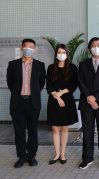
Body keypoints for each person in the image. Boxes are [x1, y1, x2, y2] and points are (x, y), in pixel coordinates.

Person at [6, 38, 46, 168]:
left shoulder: (40, 65)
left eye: (31, 47)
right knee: (19, 131)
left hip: (33, 103)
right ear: (21, 47)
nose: (28, 48)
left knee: (33, 131)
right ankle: (21, 157)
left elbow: (40, 84)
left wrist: (31, 94)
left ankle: (32, 156)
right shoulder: (13, 64)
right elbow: (10, 84)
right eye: (26, 46)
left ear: (34, 49)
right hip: (17, 103)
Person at [78, 37, 99, 169]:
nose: (96, 47)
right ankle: (87, 158)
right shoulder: (83, 64)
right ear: (89, 48)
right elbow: (80, 82)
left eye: (98, 45)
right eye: (93, 45)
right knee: (87, 130)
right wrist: (89, 97)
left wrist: (95, 98)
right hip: (86, 102)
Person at [46, 44, 78, 165]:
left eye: (63, 52)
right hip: (54, 101)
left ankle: (63, 154)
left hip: (67, 100)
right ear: (56, 54)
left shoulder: (72, 67)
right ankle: (56, 154)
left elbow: (74, 85)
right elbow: (49, 85)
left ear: (67, 54)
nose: (61, 54)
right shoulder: (51, 68)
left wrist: (61, 94)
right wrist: (57, 96)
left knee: (64, 128)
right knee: (55, 129)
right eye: (59, 52)